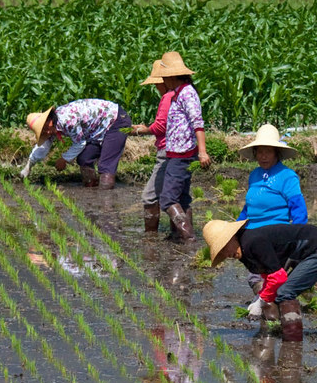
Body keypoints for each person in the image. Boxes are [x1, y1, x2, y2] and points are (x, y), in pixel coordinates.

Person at [203, 219, 317, 341]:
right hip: (308, 251)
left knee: (285, 292)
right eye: (222, 253)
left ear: (232, 237)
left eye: (225, 248)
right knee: (282, 291)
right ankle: (288, 333)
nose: (227, 255)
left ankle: (292, 342)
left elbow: (278, 277)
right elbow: (268, 274)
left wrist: (261, 301)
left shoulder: (252, 242)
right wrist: (260, 297)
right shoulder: (244, 250)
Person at [237, 124, 308, 315]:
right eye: (259, 151)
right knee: (257, 279)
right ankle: (268, 307)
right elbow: (249, 207)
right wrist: (235, 229)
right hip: (253, 237)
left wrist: (297, 240)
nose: (263, 156)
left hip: (275, 238)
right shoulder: (255, 175)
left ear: (276, 152)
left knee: (272, 279)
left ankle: (272, 317)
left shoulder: (287, 176)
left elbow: (299, 210)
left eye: (267, 151)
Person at [20, 99, 132, 190]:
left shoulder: (66, 120)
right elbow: (43, 147)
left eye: (46, 129)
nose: (47, 133)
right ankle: (91, 190)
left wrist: (64, 159)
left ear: (49, 120)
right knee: (84, 158)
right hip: (96, 130)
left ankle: (105, 204)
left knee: (105, 167)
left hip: (116, 121)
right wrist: (28, 167)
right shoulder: (52, 126)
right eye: (43, 132)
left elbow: (80, 143)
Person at [157, 51, 210, 242]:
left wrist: (202, 152)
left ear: (172, 76)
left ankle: (187, 237)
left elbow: (198, 122)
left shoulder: (187, 93)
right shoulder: (178, 94)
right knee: (182, 198)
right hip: (178, 153)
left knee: (168, 199)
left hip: (182, 154)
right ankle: (178, 235)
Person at [130, 60, 174, 235]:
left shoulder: (168, 97)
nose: (156, 87)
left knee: (149, 196)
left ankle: (151, 236)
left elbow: (160, 127)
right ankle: (178, 236)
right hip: (179, 151)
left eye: (157, 84)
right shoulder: (182, 94)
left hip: (167, 151)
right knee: (177, 196)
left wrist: (142, 130)